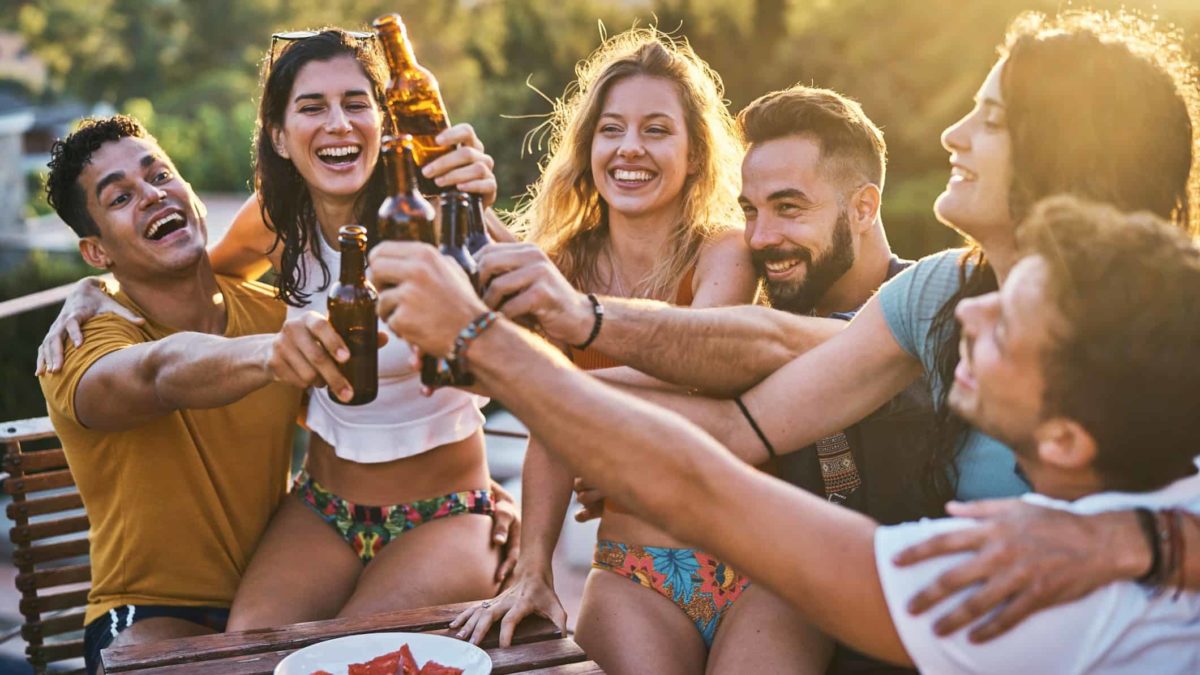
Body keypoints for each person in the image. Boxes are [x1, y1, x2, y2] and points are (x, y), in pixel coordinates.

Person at [475, 8, 1200, 642]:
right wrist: (551, 378)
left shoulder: (1178, 312)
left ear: (1069, 148)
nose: (952, 132)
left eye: (993, 117)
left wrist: (1141, 539)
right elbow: (738, 425)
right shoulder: (942, 291)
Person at [376, 175, 1200, 670]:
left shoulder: (1002, 583)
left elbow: (702, 485)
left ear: (1064, 442)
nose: (970, 320)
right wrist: (1154, 539)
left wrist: (482, 340)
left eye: (1005, 327)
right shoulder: (1169, 504)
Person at [36, 30, 518, 630]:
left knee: (345, 657)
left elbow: (556, 331)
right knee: (249, 646)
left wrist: (484, 217)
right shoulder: (277, 219)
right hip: (322, 510)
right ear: (280, 138)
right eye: (312, 108)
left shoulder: (442, 213)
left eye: (356, 103)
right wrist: (96, 288)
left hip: (445, 511)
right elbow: (190, 278)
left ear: (385, 119)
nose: (338, 123)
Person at [461, 84, 941, 673]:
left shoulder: (929, 308)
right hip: (670, 570)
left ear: (863, 208)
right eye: (751, 211)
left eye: (788, 208)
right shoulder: (782, 291)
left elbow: (724, 382)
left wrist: (573, 399)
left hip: (904, 616)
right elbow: (727, 415)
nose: (762, 236)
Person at [453, 28, 801, 675]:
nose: (630, 148)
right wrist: (532, 572)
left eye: (657, 130)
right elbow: (549, 422)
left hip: (760, 560)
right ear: (587, 149)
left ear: (696, 154)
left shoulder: (723, 249)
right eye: (611, 129)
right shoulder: (559, 265)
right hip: (635, 567)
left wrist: (582, 416)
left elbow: (695, 371)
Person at [38, 114, 326, 673]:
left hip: (285, 597)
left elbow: (361, 430)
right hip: (145, 615)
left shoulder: (272, 313)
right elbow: (158, 374)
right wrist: (274, 353)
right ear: (96, 253)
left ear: (191, 194)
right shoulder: (78, 342)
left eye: (161, 175)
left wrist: (466, 496)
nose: (151, 195)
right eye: (120, 197)